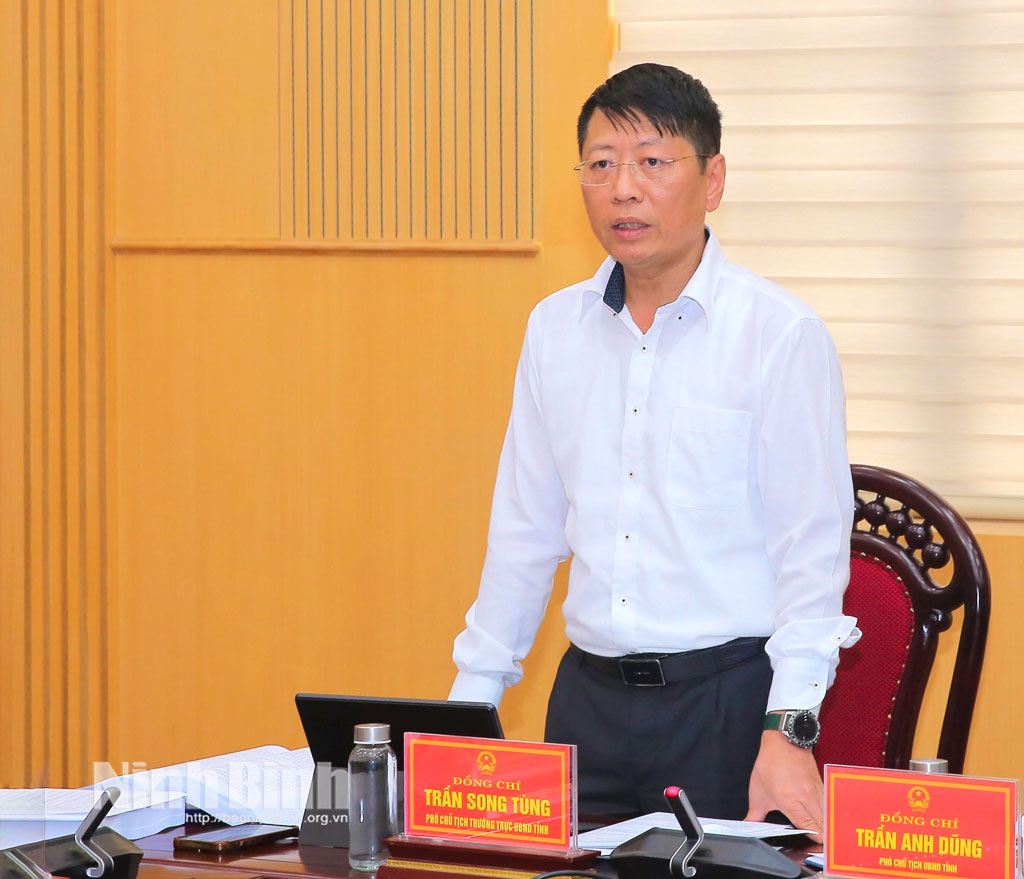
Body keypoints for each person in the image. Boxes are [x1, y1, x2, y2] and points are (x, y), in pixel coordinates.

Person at [448, 63, 859, 836]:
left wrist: (789, 728)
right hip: (585, 704)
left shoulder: (779, 335)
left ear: (713, 180)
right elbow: (525, 533)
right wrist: (469, 707)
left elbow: (811, 554)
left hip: (725, 706)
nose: (623, 189)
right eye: (601, 165)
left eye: (652, 162)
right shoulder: (554, 329)